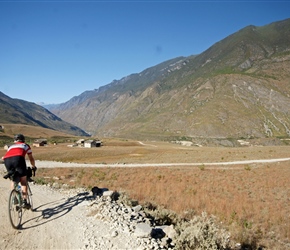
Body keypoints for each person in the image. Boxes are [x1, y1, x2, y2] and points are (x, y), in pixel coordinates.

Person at [2, 134, 37, 209]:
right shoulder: (25, 145)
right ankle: (24, 201)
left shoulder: (10, 147)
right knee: (23, 181)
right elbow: (31, 158)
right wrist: (33, 166)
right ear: (23, 140)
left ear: (15, 141)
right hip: (18, 159)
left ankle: (14, 197)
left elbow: (9, 155)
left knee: (13, 179)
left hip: (7, 160)